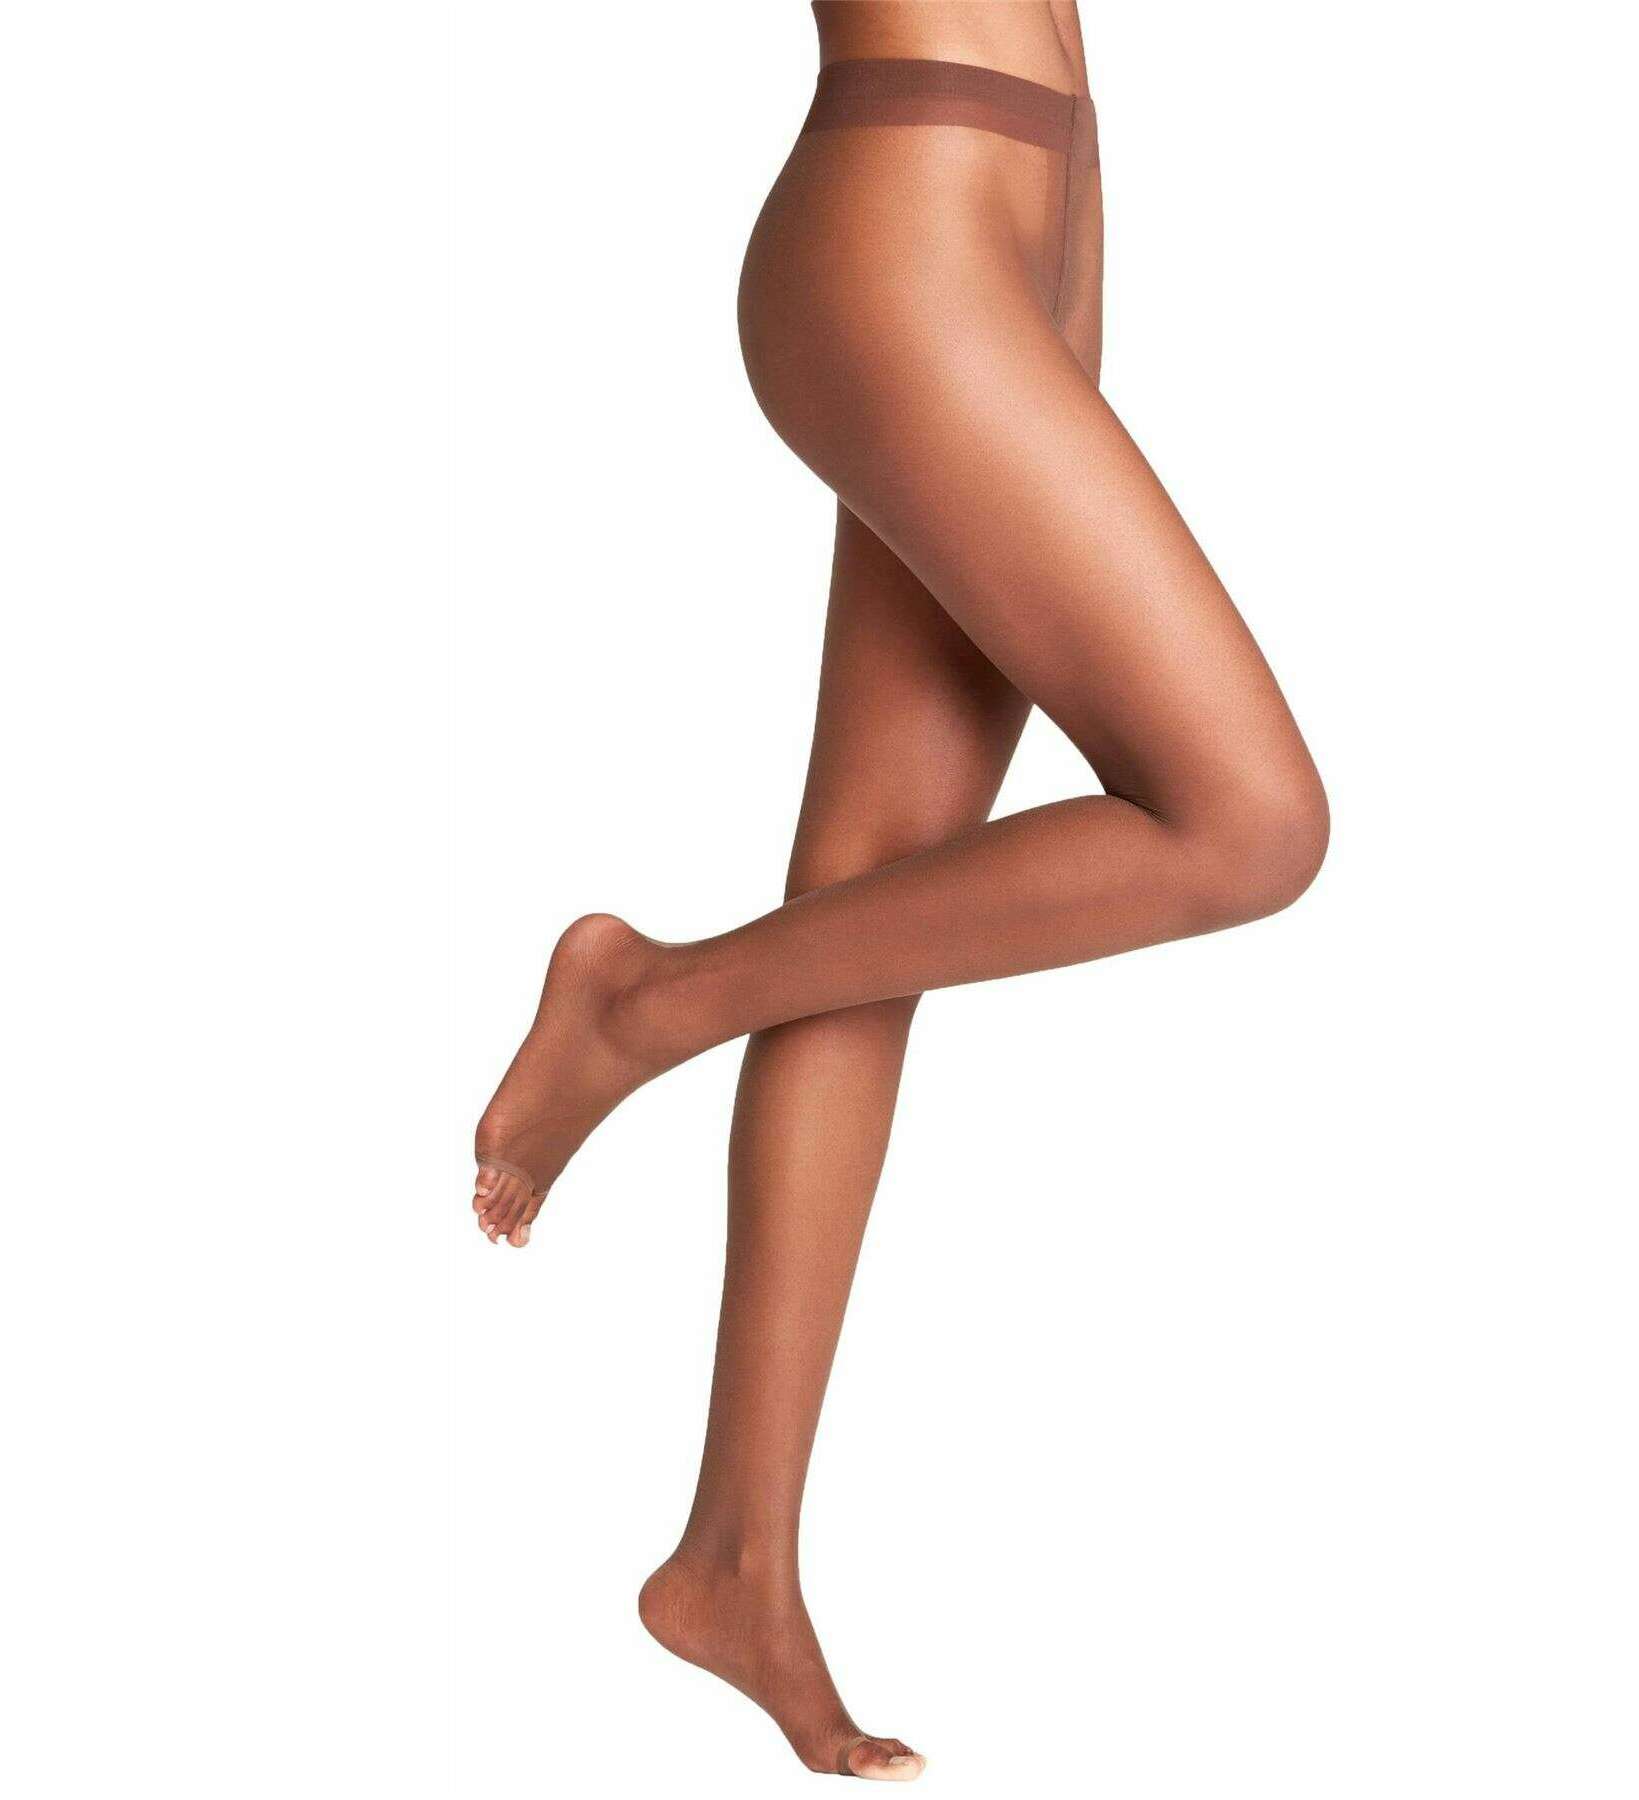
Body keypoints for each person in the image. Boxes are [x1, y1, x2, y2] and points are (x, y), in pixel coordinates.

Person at [471, 2, 1327, 1779]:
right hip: (909, 213)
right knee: (1248, 822)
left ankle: (735, 1563)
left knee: (874, 908)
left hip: (1038, 215)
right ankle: (642, 1003)